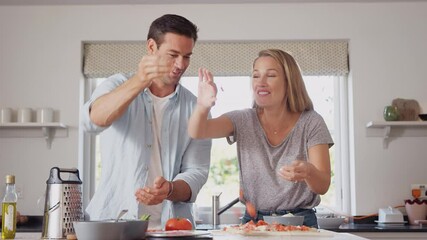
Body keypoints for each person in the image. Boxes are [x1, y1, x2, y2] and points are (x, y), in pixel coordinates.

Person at [81, 14, 212, 228]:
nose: (181, 64)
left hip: (171, 227)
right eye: (173, 54)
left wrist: (169, 189)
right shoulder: (116, 84)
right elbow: (92, 121)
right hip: (114, 222)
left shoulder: (197, 108)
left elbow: (197, 171)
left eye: (187, 56)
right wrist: (140, 81)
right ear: (152, 47)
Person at [188, 49, 333, 228]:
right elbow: (198, 131)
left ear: (290, 82)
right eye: (256, 76)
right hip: (254, 222)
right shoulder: (242, 120)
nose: (261, 83)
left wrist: (309, 171)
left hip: (299, 222)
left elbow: (323, 185)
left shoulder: (311, 122)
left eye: (271, 75)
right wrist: (202, 106)